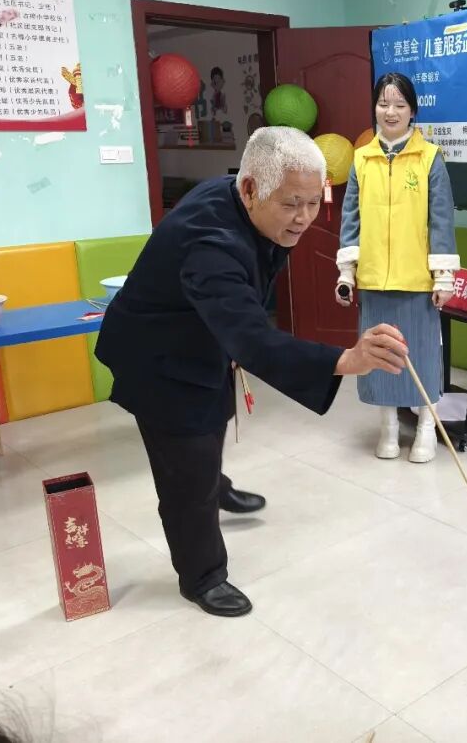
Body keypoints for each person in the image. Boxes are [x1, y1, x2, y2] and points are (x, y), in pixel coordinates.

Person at [95, 127, 408, 618]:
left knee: (216, 412)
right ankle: (202, 576)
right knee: (186, 466)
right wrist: (345, 360)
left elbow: (242, 310)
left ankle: (214, 484)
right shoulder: (210, 243)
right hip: (157, 357)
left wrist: (231, 332)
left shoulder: (239, 196)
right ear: (249, 189)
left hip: (199, 333)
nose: (304, 218)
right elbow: (252, 338)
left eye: (314, 202)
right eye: (292, 205)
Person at [335, 73, 459, 464]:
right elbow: (350, 219)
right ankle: (388, 428)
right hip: (375, 280)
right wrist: (347, 272)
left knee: (421, 357)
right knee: (379, 358)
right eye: (383, 103)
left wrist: (443, 276)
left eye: (399, 105)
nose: (390, 112)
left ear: (412, 111)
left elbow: (441, 221)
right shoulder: (361, 159)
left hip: (416, 281)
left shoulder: (430, 159)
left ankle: (426, 429)